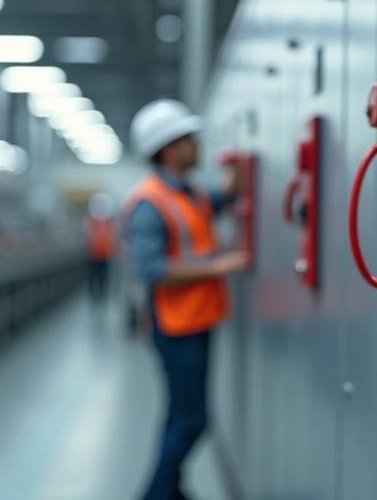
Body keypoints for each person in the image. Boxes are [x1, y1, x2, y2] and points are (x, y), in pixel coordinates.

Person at [126, 99, 250, 500]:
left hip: (197, 319)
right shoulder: (150, 202)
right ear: (168, 149)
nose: (197, 145)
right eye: (188, 140)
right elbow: (150, 269)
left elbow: (219, 196)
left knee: (181, 414)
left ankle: (171, 491)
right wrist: (218, 267)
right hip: (177, 325)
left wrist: (239, 170)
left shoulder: (190, 193)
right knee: (193, 420)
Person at [84, 193, 116, 301]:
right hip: (93, 254)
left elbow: (113, 236)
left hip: (105, 254)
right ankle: (94, 294)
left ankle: (102, 293)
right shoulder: (91, 220)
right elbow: (87, 235)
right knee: (93, 276)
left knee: (104, 276)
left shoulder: (108, 221)